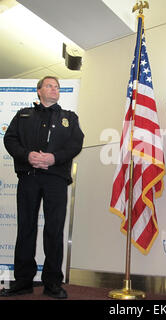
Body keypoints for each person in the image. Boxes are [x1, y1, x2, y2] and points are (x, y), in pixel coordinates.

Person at [1, 76, 84, 299]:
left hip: (55, 178)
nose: (54, 89)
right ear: (39, 91)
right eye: (49, 85)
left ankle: (53, 282)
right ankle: (23, 281)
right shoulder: (23, 115)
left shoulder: (69, 117)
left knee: (54, 230)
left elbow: (76, 144)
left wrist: (53, 158)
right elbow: (10, 140)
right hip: (29, 177)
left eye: (57, 87)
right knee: (26, 227)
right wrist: (27, 155)